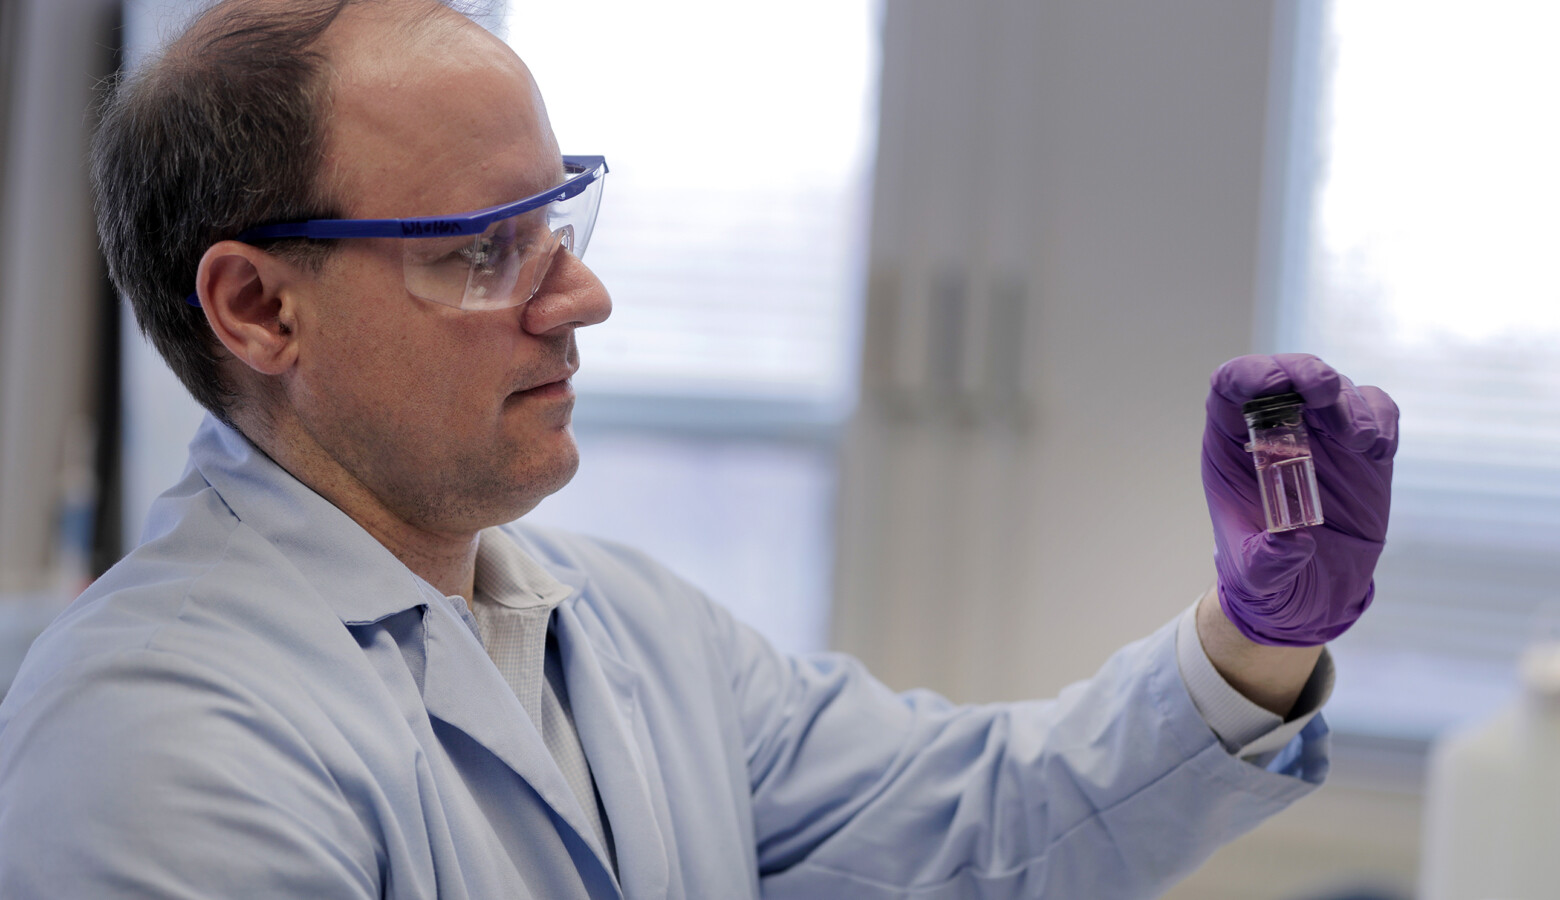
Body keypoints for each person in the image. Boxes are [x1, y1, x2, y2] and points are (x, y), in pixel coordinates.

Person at [0, 0, 1398, 896]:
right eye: (485, 249)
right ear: (258, 309)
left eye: (559, 221)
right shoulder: (155, 731)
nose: (580, 296)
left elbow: (981, 829)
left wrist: (1255, 636)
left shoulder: (615, 625)